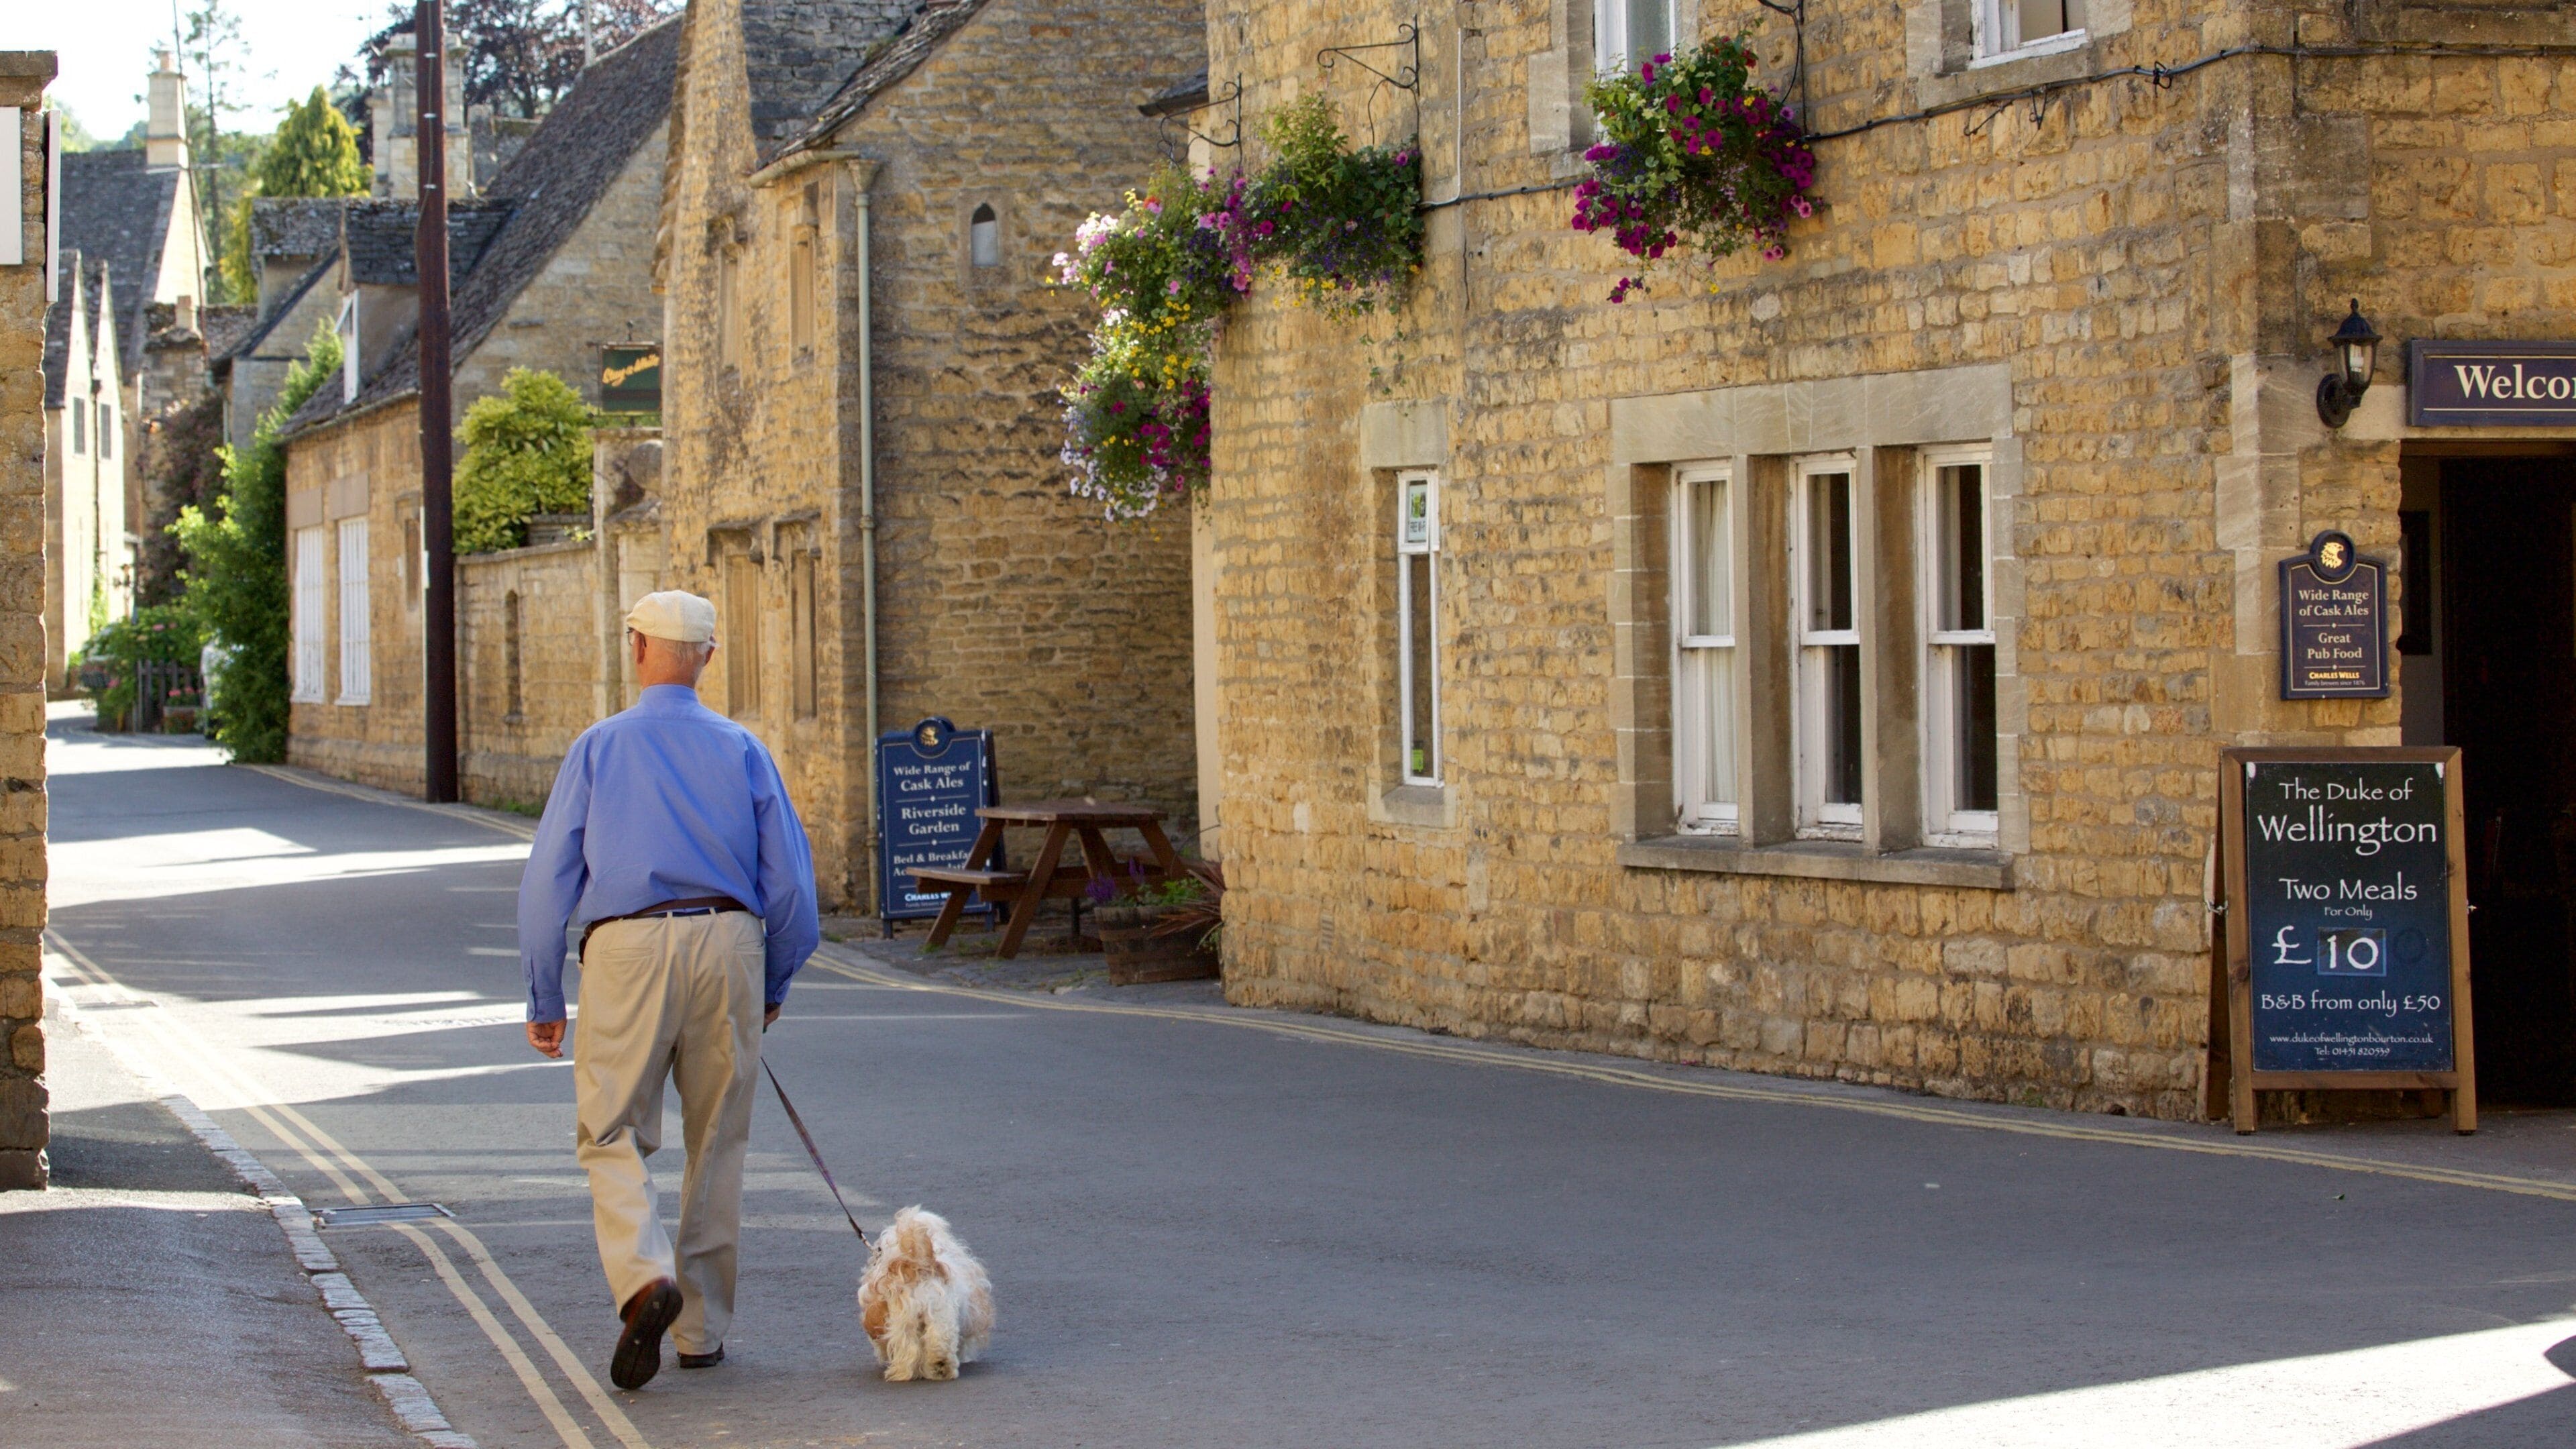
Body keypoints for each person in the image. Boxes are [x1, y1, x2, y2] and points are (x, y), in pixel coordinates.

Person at [518, 590, 820, 1390]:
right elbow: (791, 891)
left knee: (610, 1128)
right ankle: (699, 1334)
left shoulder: (598, 748)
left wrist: (545, 994)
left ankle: (645, 1275)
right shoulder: (744, 749)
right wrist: (773, 979)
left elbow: (548, 883)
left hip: (627, 944)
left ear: (637, 649)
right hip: (730, 939)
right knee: (718, 1142)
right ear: (709, 658)